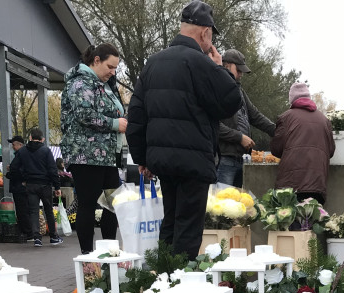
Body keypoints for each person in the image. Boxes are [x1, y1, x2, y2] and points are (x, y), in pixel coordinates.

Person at [127, 2, 242, 260]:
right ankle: (180, 287)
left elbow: (135, 115)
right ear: (205, 33)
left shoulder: (152, 63)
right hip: (193, 160)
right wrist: (221, 68)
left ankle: (162, 281)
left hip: (162, 161)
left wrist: (142, 158)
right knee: (189, 228)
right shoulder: (200, 63)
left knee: (170, 221)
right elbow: (231, 101)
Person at [60, 42, 128, 255]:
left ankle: (110, 253)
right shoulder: (80, 83)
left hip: (107, 155)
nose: (112, 72)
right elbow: (84, 115)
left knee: (111, 204)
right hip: (85, 155)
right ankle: (88, 257)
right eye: (110, 66)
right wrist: (115, 124)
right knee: (88, 204)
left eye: (115, 68)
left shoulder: (104, 84)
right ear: (96, 60)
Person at [217, 49, 275, 187]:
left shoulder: (239, 91)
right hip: (224, 159)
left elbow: (255, 116)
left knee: (235, 207)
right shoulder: (217, 88)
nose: (241, 74)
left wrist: (279, 131)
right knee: (221, 206)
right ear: (228, 65)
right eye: (239, 70)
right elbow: (213, 125)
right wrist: (239, 137)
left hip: (240, 159)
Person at [270, 82, 334, 205]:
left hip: (290, 183)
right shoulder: (324, 120)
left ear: (292, 99)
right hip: (317, 183)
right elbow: (330, 151)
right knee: (312, 221)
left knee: (291, 221)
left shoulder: (286, 117)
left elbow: (276, 149)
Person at [8, 128, 63, 247]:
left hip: (30, 185)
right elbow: (53, 170)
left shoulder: (23, 151)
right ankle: (53, 237)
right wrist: (57, 186)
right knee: (48, 210)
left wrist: (24, 178)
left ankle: (37, 238)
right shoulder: (46, 151)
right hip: (45, 185)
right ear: (42, 139)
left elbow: (13, 168)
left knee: (33, 211)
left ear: (31, 138)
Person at [6, 135, 32, 241]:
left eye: (14, 144)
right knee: (24, 210)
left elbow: (18, 171)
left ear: (20, 145)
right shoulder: (25, 155)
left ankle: (27, 232)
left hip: (19, 187)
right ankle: (27, 231)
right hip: (21, 186)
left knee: (22, 210)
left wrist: (9, 173)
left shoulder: (20, 156)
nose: (12, 147)